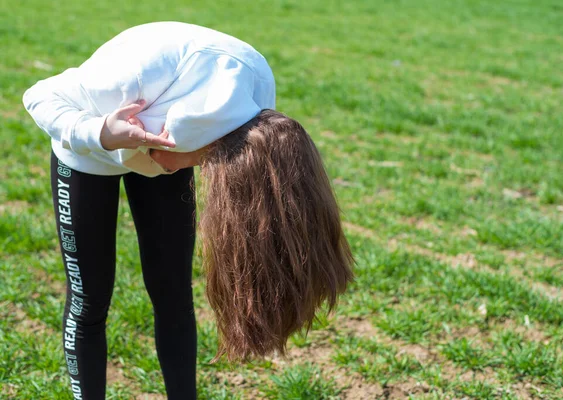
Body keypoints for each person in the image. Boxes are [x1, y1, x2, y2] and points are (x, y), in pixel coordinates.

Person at [23, 21, 354, 399]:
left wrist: (183, 156)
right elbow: (39, 94)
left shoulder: (247, 97)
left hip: (167, 151)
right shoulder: (124, 82)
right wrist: (97, 132)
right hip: (92, 145)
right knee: (90, 298)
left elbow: (184, 155)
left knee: (173, 291)